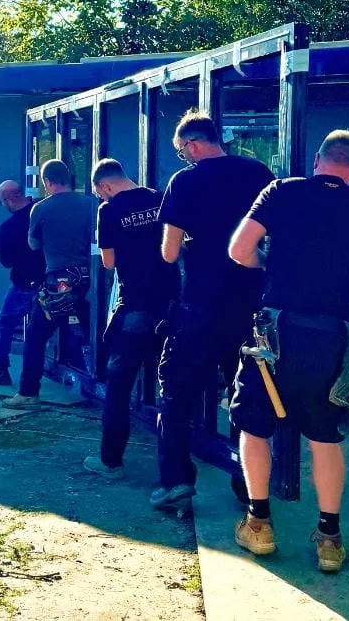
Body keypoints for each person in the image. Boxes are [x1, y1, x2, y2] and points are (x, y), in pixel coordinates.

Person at [227, 129, 349, 574]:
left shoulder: (280, 191)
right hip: (328, 335)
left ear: (317, 159)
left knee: (255, 426)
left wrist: (268, 267)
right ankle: (329, 540)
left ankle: (259, 525)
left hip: (275, 331)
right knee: (325, 435)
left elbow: (239, 250)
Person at [150, 110, 274, 511]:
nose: (183, 158)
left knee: (175, 393)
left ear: (193, 144)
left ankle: (176, 481)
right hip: (249, 307)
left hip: (199, 307)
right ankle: (247, 484)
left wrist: (188, 243)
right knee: (246, 396)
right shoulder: (258, 173)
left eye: (182, 151)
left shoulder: (184, 182)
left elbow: (168, 254)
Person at [83, 158, 180, 480]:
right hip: (171, 303)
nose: (102, 198)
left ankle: (111, 461)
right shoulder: (159, 197)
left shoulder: (108, 211)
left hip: (135, 304)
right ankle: (176, 470)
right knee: (175, 384)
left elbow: (108, 262)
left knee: (119, 383)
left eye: (100, 193)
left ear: (105, 186)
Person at [3, 159, 95, 410]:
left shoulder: (41, 209)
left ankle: (28, 393)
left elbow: (33, 244)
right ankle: (102, 388)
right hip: (90, 281)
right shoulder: (91, 204)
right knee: (92, 334)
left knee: (35, 336)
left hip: (58, 283)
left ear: (47, 182)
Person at [0, 181, 45, 386]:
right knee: (43, 331)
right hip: (51, 281)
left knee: (4, 324)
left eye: (1, 202)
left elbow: (6, 262)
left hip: (24, 283)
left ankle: (0, 370)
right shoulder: (42, 212)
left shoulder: (8, 228)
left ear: (8, 200)